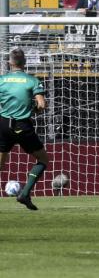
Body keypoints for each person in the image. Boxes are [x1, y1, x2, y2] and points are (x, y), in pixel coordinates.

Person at [0, 48, 49, 211]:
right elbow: (42, 104)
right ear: (25, 63)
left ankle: (25, 194)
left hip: (3, 124)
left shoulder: (2, 80)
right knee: (42, 159)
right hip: (22, 125)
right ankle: (25, 194)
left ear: (9, 63)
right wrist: (34, 108)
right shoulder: (31, 80)